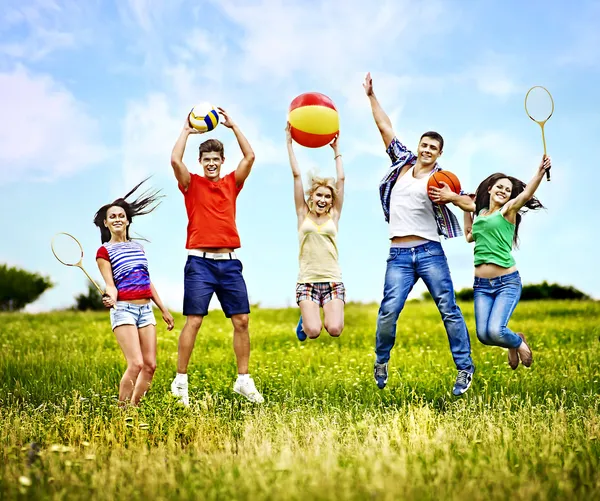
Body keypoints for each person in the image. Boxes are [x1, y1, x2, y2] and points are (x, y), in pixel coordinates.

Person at [363, 72, 476, 396]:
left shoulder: (444, 179)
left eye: (433, 148)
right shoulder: (401, 163)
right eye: (424, 144)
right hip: (398, 255)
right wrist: (371, 96)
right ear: (418, 146)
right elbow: (385, 128)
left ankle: (464, 369)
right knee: (388, 310)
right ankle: (381, 361)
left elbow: (471, 202)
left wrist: (451, 198)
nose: (427, 150)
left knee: (448, 309)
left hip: (429, 252)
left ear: (439, 154)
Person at [169, 107, 264, 405]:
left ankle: (243, 380)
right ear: (200, 162)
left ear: (222, 161)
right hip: (199, 263)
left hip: (229, 265)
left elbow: (249, 158)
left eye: (215, 159)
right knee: (194, 321)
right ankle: (180, 382)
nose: (211, 163)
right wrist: (186, 130)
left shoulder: (231, 184)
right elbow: (174, 160)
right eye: (206, 160)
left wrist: (234, 125)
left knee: (242, 321)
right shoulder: (191, 184)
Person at [460, 157, 551, 369]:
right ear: (490, 189)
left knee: (495, 330)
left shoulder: (508, 211)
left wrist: (539, 171)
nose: (503, 191)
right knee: (483, 335)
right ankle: (513, 340)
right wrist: (467, 210)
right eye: (499, 187)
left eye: (508, 190)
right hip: (481, 286)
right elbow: (468, 236)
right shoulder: (481, 214)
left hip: (506, 283)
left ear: (511, 196)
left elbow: (526, 194)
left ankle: (517, 342)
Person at [94, 179, 174, 406]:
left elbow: (147, 281)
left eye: (121, 215)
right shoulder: (104, 251)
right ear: (106, 223)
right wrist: (110, 297)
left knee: (150, 365)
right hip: (124, 311)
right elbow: (110, 284)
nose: (117, 219)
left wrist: (163, 309)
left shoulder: (138, 248)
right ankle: (121, 411)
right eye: (112, 217)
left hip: (146, 310)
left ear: (127, 220)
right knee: (136, 364)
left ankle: (133, 409)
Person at [285, 123, 345, 341]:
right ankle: (306, 320)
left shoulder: (334, 216)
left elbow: (341, 180)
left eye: (327, 197)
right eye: (319, 195)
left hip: (332, 280)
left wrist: (336, 151)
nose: (323, 199)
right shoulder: (302, 214)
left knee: (335, 329)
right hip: (307, 281)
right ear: (312, 197)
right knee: (313, 332)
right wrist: (289, 143)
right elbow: (296, 175)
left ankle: (315, 314)